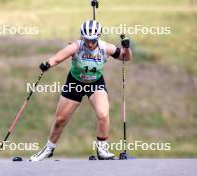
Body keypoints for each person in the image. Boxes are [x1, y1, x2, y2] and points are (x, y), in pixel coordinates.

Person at [29, 20, 132, 161]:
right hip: (75, 83)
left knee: (103, 114)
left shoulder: (105, 47)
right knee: (60, 120)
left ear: (98, 37)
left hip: (95, 83)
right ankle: (49, 149)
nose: (90, 43)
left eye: (93, 40)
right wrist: (48, 64)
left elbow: (126, 58)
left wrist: (127, 48)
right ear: (83, 37)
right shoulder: (76, 46)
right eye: (87, 40)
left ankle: (102, 149)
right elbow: (58, 58)